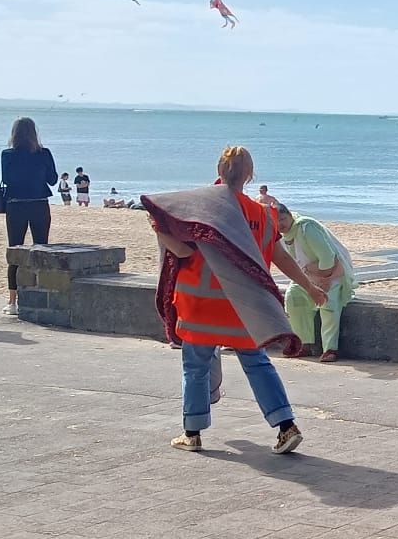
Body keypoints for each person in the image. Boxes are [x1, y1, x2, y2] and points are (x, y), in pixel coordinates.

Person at [146, 146, 322, 454]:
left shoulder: (200, 210)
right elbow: (280, 257)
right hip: (244, 308)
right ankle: (286, 426)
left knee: (196, 367)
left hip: (200, 305)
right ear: (250, 175)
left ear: (218, 170)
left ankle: (193, 432)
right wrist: (309, 286)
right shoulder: (262, 215)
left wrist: (159, 230)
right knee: (257, 364)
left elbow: (185, 252)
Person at [277, 204, 356, 361]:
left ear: (290, 216)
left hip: (333, 272)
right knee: (294, 297)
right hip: (308, 274)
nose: (280, 224)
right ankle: (303, 344)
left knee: (328, 304)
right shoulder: (283, 235)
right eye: (276, 221)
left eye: (283, 219)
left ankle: (330, 349)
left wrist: (324, 278)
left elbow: (327, 256)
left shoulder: (306, 227)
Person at [0, 117, 60, 316]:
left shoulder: (7, 154)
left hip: (15, 204)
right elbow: (52, 179)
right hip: (39, 203)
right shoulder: (44, 153)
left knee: (15, 250)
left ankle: (12, 301)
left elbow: (7, 179)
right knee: (41, 248)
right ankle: (41, 296)